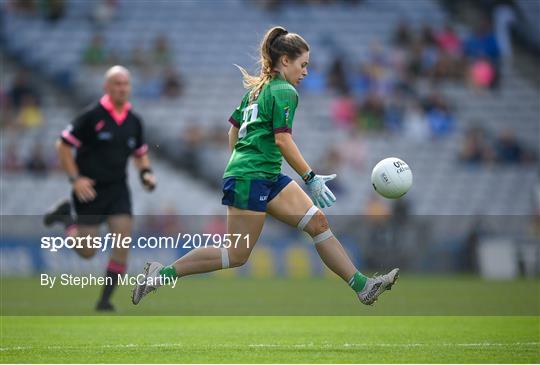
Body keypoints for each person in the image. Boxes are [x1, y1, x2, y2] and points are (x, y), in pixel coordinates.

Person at [131, 26, 398, 307]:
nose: (306, 71)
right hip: (252, 176)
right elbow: (283, 140)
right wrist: (310, 177)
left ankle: (362, 286)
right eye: (303, 64)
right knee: (236, 255)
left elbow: (233, 130)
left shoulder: (258, 90)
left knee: (318, 222)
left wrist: (242, 159)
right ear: (285, 60)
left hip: (265, 174)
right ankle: (161, 275)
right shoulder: (285, 90)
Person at [43, 65, 157, 311]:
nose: (122, 88)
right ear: (106, 87)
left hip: (118, 189)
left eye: (125, 83)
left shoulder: (134, 121)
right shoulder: (91, 116)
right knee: (87, 252)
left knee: (122, 242)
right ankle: (66, 220)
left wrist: (146, 174)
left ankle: (104, 300)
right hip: (89, 189)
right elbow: (62, 145)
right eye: (117, 83)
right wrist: (76, 179)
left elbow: (140, 154)